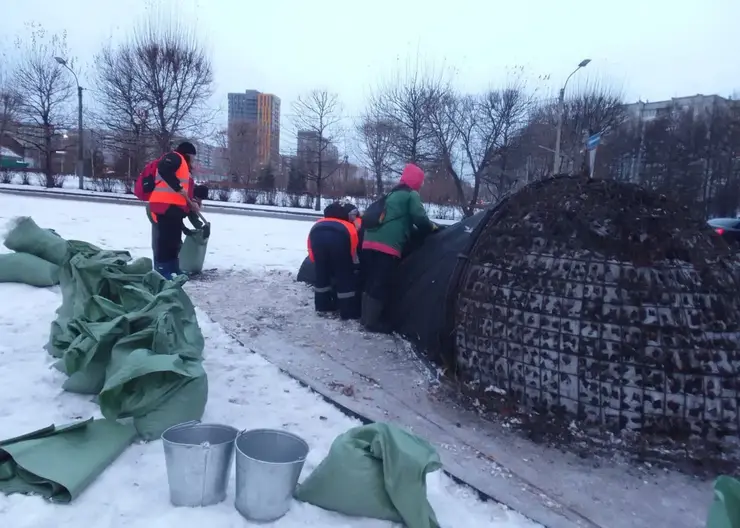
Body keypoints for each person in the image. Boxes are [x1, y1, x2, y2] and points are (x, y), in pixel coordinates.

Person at [360, 163, 437, 332]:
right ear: (416, 181)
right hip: (387, 245)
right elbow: (419, 217)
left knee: (372, 280)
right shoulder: (411, 195)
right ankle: (372, 323)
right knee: (381, 282)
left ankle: (365, 318)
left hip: (368, 240)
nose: (421, 185)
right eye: (421, 181)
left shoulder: (392, 194)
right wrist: (432, 228)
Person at [148, 141, 200, 279]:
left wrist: (191, 203)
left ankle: (173, 267)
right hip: (164, 205)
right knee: (166, 239)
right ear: (187, 154)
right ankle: (162, 269)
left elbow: (184, 189)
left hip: (175, 208)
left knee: (174, 240)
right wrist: (177, 187)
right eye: (192, 156)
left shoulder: (183, 165)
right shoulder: (175, 157)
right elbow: (164, 169)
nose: (193, 160)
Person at [307, 202, 361, 320]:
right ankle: (347, 312)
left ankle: (322, 307)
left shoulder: (318, 224)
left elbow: (310, 245)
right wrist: (354, 266)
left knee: (321, 277)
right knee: (344, 277)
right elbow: (353, 249)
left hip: (318, 242)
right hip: (340, 243)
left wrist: (317, 262)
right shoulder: (349, 226)